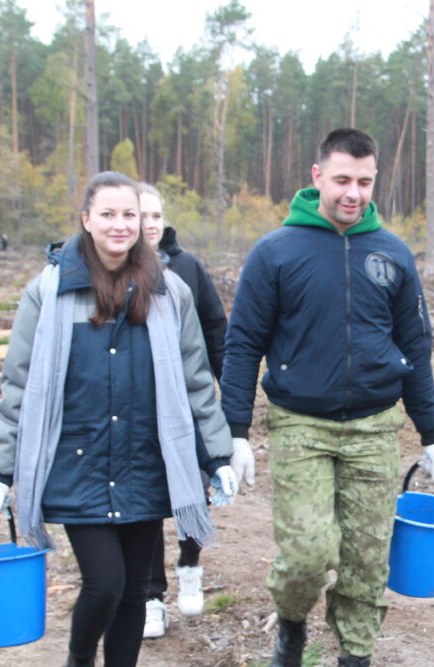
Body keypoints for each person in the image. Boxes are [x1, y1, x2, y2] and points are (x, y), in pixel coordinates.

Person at [0, 171, 241, 667]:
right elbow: (20, 382)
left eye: (131, 215)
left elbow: (195, 381)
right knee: (105, 585)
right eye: (109, 214)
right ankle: (79, 660)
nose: (121, 225)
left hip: (145, 459)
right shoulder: (50, 291)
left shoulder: (170, 291)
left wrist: (219, 453)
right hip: (77, 459)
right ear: (86, 220)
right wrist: (1, 468)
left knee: (136, 593)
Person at [219, 129, 434, 667]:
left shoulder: (392, 253)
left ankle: (355, 655)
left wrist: (433, 433)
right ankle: (293, 629)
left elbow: (415, 347)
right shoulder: (276, 251)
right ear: (317, 176)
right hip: (300, 426)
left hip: (374, 428)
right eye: (343, 179)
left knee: (367, 561)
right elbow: (242, 345)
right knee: (306, 553)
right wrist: (234, 433)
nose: (354, 193)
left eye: (365, 181)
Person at [136, 183, 254, 639]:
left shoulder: (187, 268)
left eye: (155, 215)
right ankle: (150, 596)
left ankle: (190, 566)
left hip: (187, 404)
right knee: (145, 503)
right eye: (140, 214)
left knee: (192, 490)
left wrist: (230, 402)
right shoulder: (113, 271)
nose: (149, 223)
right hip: (139, 409)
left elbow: (215, 329)